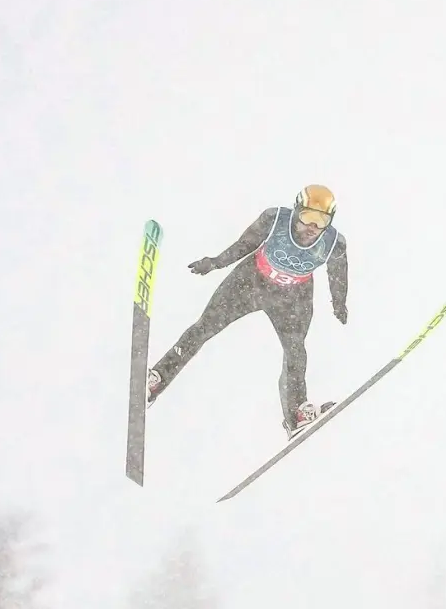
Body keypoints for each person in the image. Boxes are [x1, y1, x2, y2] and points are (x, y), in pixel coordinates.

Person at [146, 183, 349, 438]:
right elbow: (245, 244)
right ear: (296, 210)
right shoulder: (274, 219)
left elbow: (338, 275)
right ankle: (156, 381)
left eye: (321, 221)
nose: (313, 227)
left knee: (296, 352)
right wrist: (216, 262)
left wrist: (339, 303)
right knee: (204, 328)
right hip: (251, 282)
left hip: (293, 299)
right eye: (308, 217)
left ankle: (296, 413)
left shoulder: (334, 244)